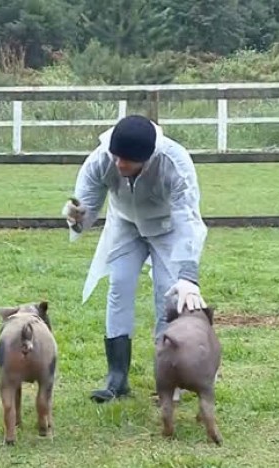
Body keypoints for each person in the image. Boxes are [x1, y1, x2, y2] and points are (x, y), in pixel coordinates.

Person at [63, 114, 208, 404]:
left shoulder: (175, 164)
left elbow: (188, 220)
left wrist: (188, 276)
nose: (119, 164)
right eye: (116, 157)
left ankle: (170, 378)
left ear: (148, 157)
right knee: (119, 286)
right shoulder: (101, 159)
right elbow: (86, 204)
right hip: (125, 224)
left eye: (127, 160)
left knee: (168, 295)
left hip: (167, 228)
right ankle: (117, 378)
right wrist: (77, 217)